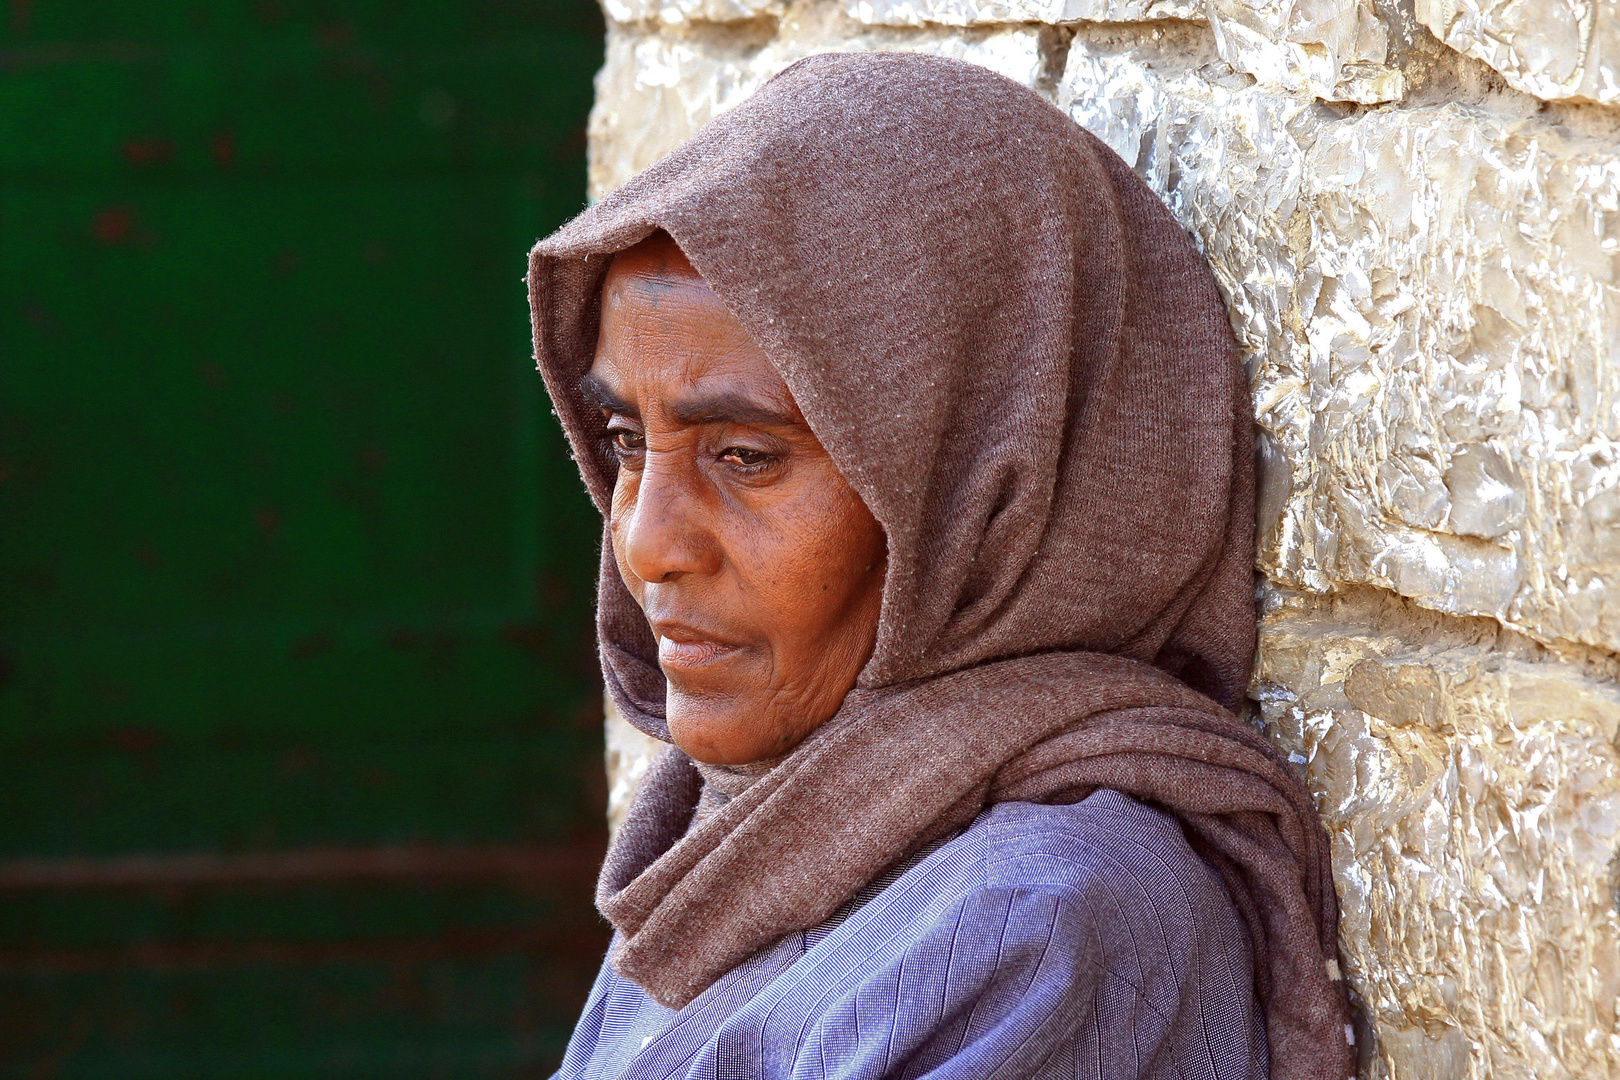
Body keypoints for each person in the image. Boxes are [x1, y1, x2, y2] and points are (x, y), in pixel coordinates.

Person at [528, 51, 1353, 1080]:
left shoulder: (1039, 927)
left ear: (979, 485)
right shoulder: (754, 832)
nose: (647, 541)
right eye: (624, 440)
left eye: (746, 457)